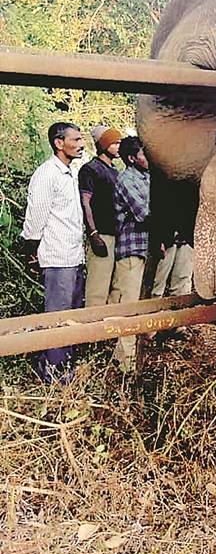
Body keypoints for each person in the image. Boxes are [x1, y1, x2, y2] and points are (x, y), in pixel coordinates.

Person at [20, 122, 85, 382]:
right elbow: (35, 218)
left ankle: (64, 365)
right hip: (57, 257)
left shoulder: (70, 172)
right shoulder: (47, 174)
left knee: (70, 314)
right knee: (57, 316)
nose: (81, 144)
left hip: (74, 256)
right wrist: (30, 251)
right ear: (59, 143)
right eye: (76, 139)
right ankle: (54, 373)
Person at [111, 135, 150, 372]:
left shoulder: (148, 177)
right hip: (131, 249)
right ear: (131, 158)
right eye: (144, 154)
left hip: (145, 248)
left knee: (140, 304)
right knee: (130, 305)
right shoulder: (126, 179)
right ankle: (127, 365)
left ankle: (121, 357)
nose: (149, 157)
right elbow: (144, 213)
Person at [78, 125, 121, 307]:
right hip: (101, 234)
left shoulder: (115, 172)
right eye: (115, 142)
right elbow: (85, 201)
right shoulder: (90, 169)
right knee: (97, 288)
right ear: (104, 145)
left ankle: (107, 330)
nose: (119, 146)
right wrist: (94, 234)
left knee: (114, 286)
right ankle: (93, 331)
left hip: (116, 234)